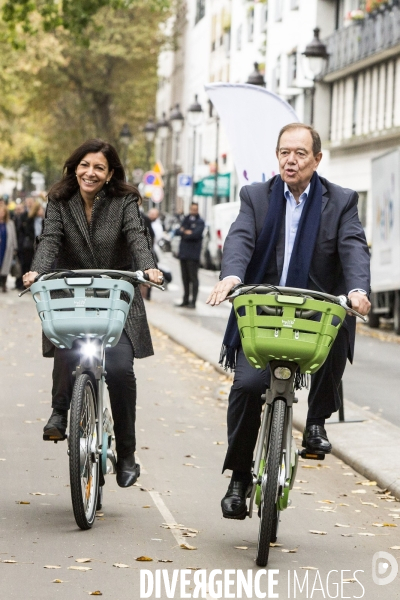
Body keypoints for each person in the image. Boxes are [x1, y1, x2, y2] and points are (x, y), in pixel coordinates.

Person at [206, 123, 371, 519]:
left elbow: (352, 248)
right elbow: (240, 238)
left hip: (315, 310)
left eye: (299, 153)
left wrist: (357, 291)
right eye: (284, 152)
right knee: (246, 386)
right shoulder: (256, 196)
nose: (290, 160)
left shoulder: (342, 200)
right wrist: (232, 275)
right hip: (263, 311)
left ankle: (315, 423)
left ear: (317, 159)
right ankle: (240, 478)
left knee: (339, 322)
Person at [23, 138, 163, 488]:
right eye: (85, 165)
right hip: (73, 295)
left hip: (117, 297)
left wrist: (148, 268)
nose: (91, 172)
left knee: (118, 370)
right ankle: (59, 412)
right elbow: (50, 240)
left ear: (110, 172)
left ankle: (127, 454)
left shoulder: (125, 201)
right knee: (66, 342)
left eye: (99, 167)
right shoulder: (59, 200)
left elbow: (137, 237)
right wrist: (37, 271)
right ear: (75, 167)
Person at [176, 202, 205, 308]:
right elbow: (178, 232)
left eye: (195, 209)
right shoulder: (186, 219)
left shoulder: (200, 222)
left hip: (193, 255)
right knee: (185, 278)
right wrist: (185, 232)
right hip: (183, 254)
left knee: (193, 278)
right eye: (192, 209)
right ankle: (185, 299)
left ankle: (193, 301)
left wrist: (186, 233)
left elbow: (195, 235)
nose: (193, 211)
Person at [0, 204, 18, 292]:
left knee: (6, 266)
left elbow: (13, 236)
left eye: (3, 212)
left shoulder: (10, 223)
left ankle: (4, 284)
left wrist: (15, 248)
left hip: (6, 247)